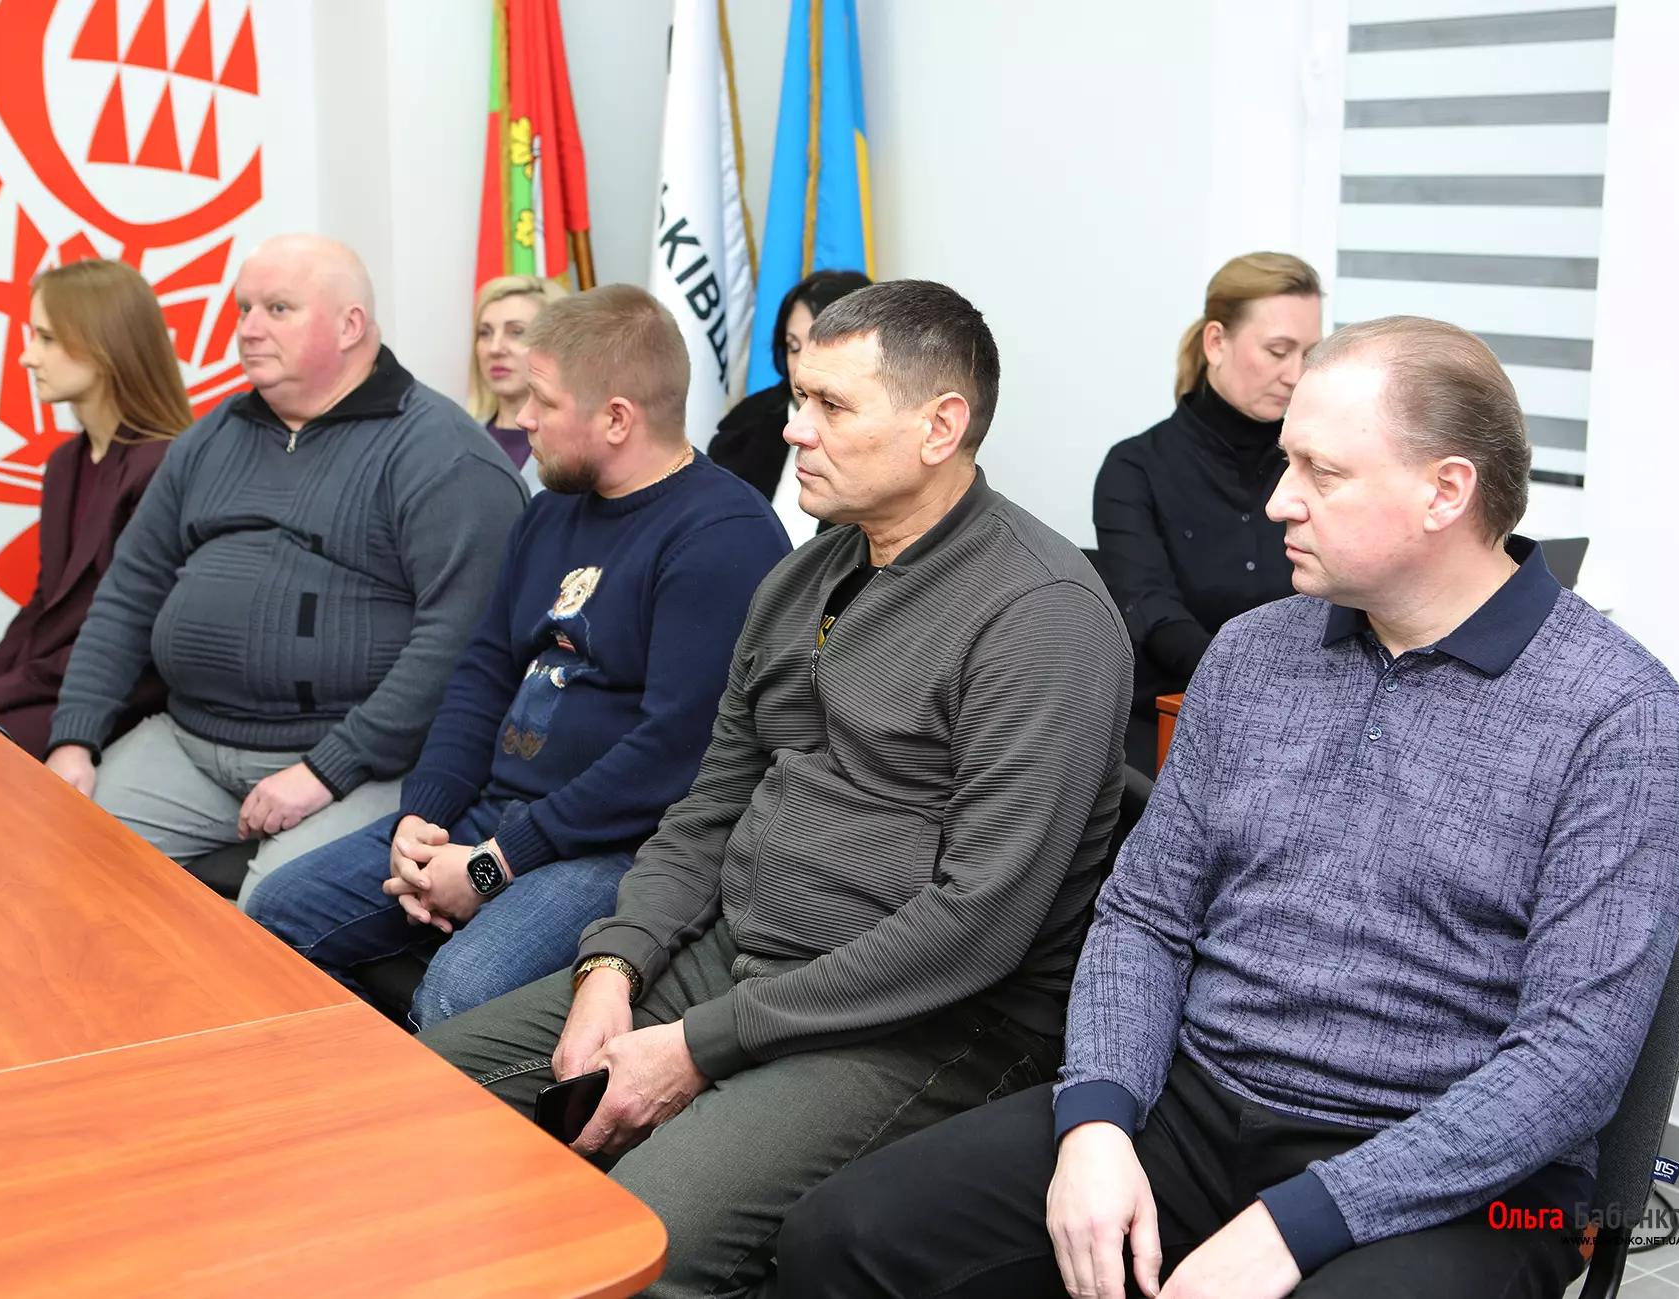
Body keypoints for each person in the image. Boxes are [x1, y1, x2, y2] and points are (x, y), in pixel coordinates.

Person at [775, 317, 1679, 1299]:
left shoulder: (1616, 713)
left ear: (1445, 491)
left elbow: (1570, 1063)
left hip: (1467, 1177)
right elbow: (1145, 915)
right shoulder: (1254, 653)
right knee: (844, 1237)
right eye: (1285, 461)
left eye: (1321, 472)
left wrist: (1301, 1221)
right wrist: (1097, 1120)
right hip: (1198, 1107)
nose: (1278, 500)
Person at [418, 280, 1133, 1298]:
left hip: (917, 1019)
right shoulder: (805, 575)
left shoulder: (1041, 614)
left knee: (639, 1241)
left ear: (940, 427)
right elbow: (709, 808)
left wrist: (699, 1046)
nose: (795, 430)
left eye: (832, 406)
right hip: (736, 960)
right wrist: (612, 965)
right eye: (800, 397)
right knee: (421, 1102)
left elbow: (975, 924)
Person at [246, 285, 791, 1028]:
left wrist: (492, 863)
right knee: (276, 911)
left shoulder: (723, 537)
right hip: (494, 811)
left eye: (544, 400)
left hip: (616, 845)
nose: (523, 417)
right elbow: (482, 674)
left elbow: (671, 756)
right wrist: (422, 817)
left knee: (457, 993)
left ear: (617, 418)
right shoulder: (551, 508)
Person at [45, 235, 529, 906]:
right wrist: (74, 737)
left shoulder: (443, 456)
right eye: (243, 309)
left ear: (350, 325)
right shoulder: (209, 440)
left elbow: (455, 646)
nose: (248, 329)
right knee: (58, 849)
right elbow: (129, 594)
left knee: (272, 907)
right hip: (188, 741)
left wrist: (326, 769)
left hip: (361, 759)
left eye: (277, 309)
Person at [1094, 252, 1322, 768]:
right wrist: (1254, 692)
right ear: (1216, 342)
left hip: (1304, 723)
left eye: (1309, 354)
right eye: (1278, 351)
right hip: (1176, 724)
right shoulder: (1135, 468)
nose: (1295, 375)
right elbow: (1154, 613)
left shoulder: (1318, 466)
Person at [0, 260, 186, 756]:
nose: (27, 357)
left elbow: (138, 634)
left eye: (46, 339)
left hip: (118, 694)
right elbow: (48, 604)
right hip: (53, 681)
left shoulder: (163, 467)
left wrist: (3, 691)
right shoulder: (66, 463)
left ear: (103, 346)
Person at [709, 268, 871, 545]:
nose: (802, 364)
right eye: (793, 347)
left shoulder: (880, 434)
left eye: (819, 345)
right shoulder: (745, 426)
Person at [467, 273, 567, 489]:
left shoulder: (578, 446)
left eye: (517, 332)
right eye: (485, 333)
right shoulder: (459, 439)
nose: (495, 348)